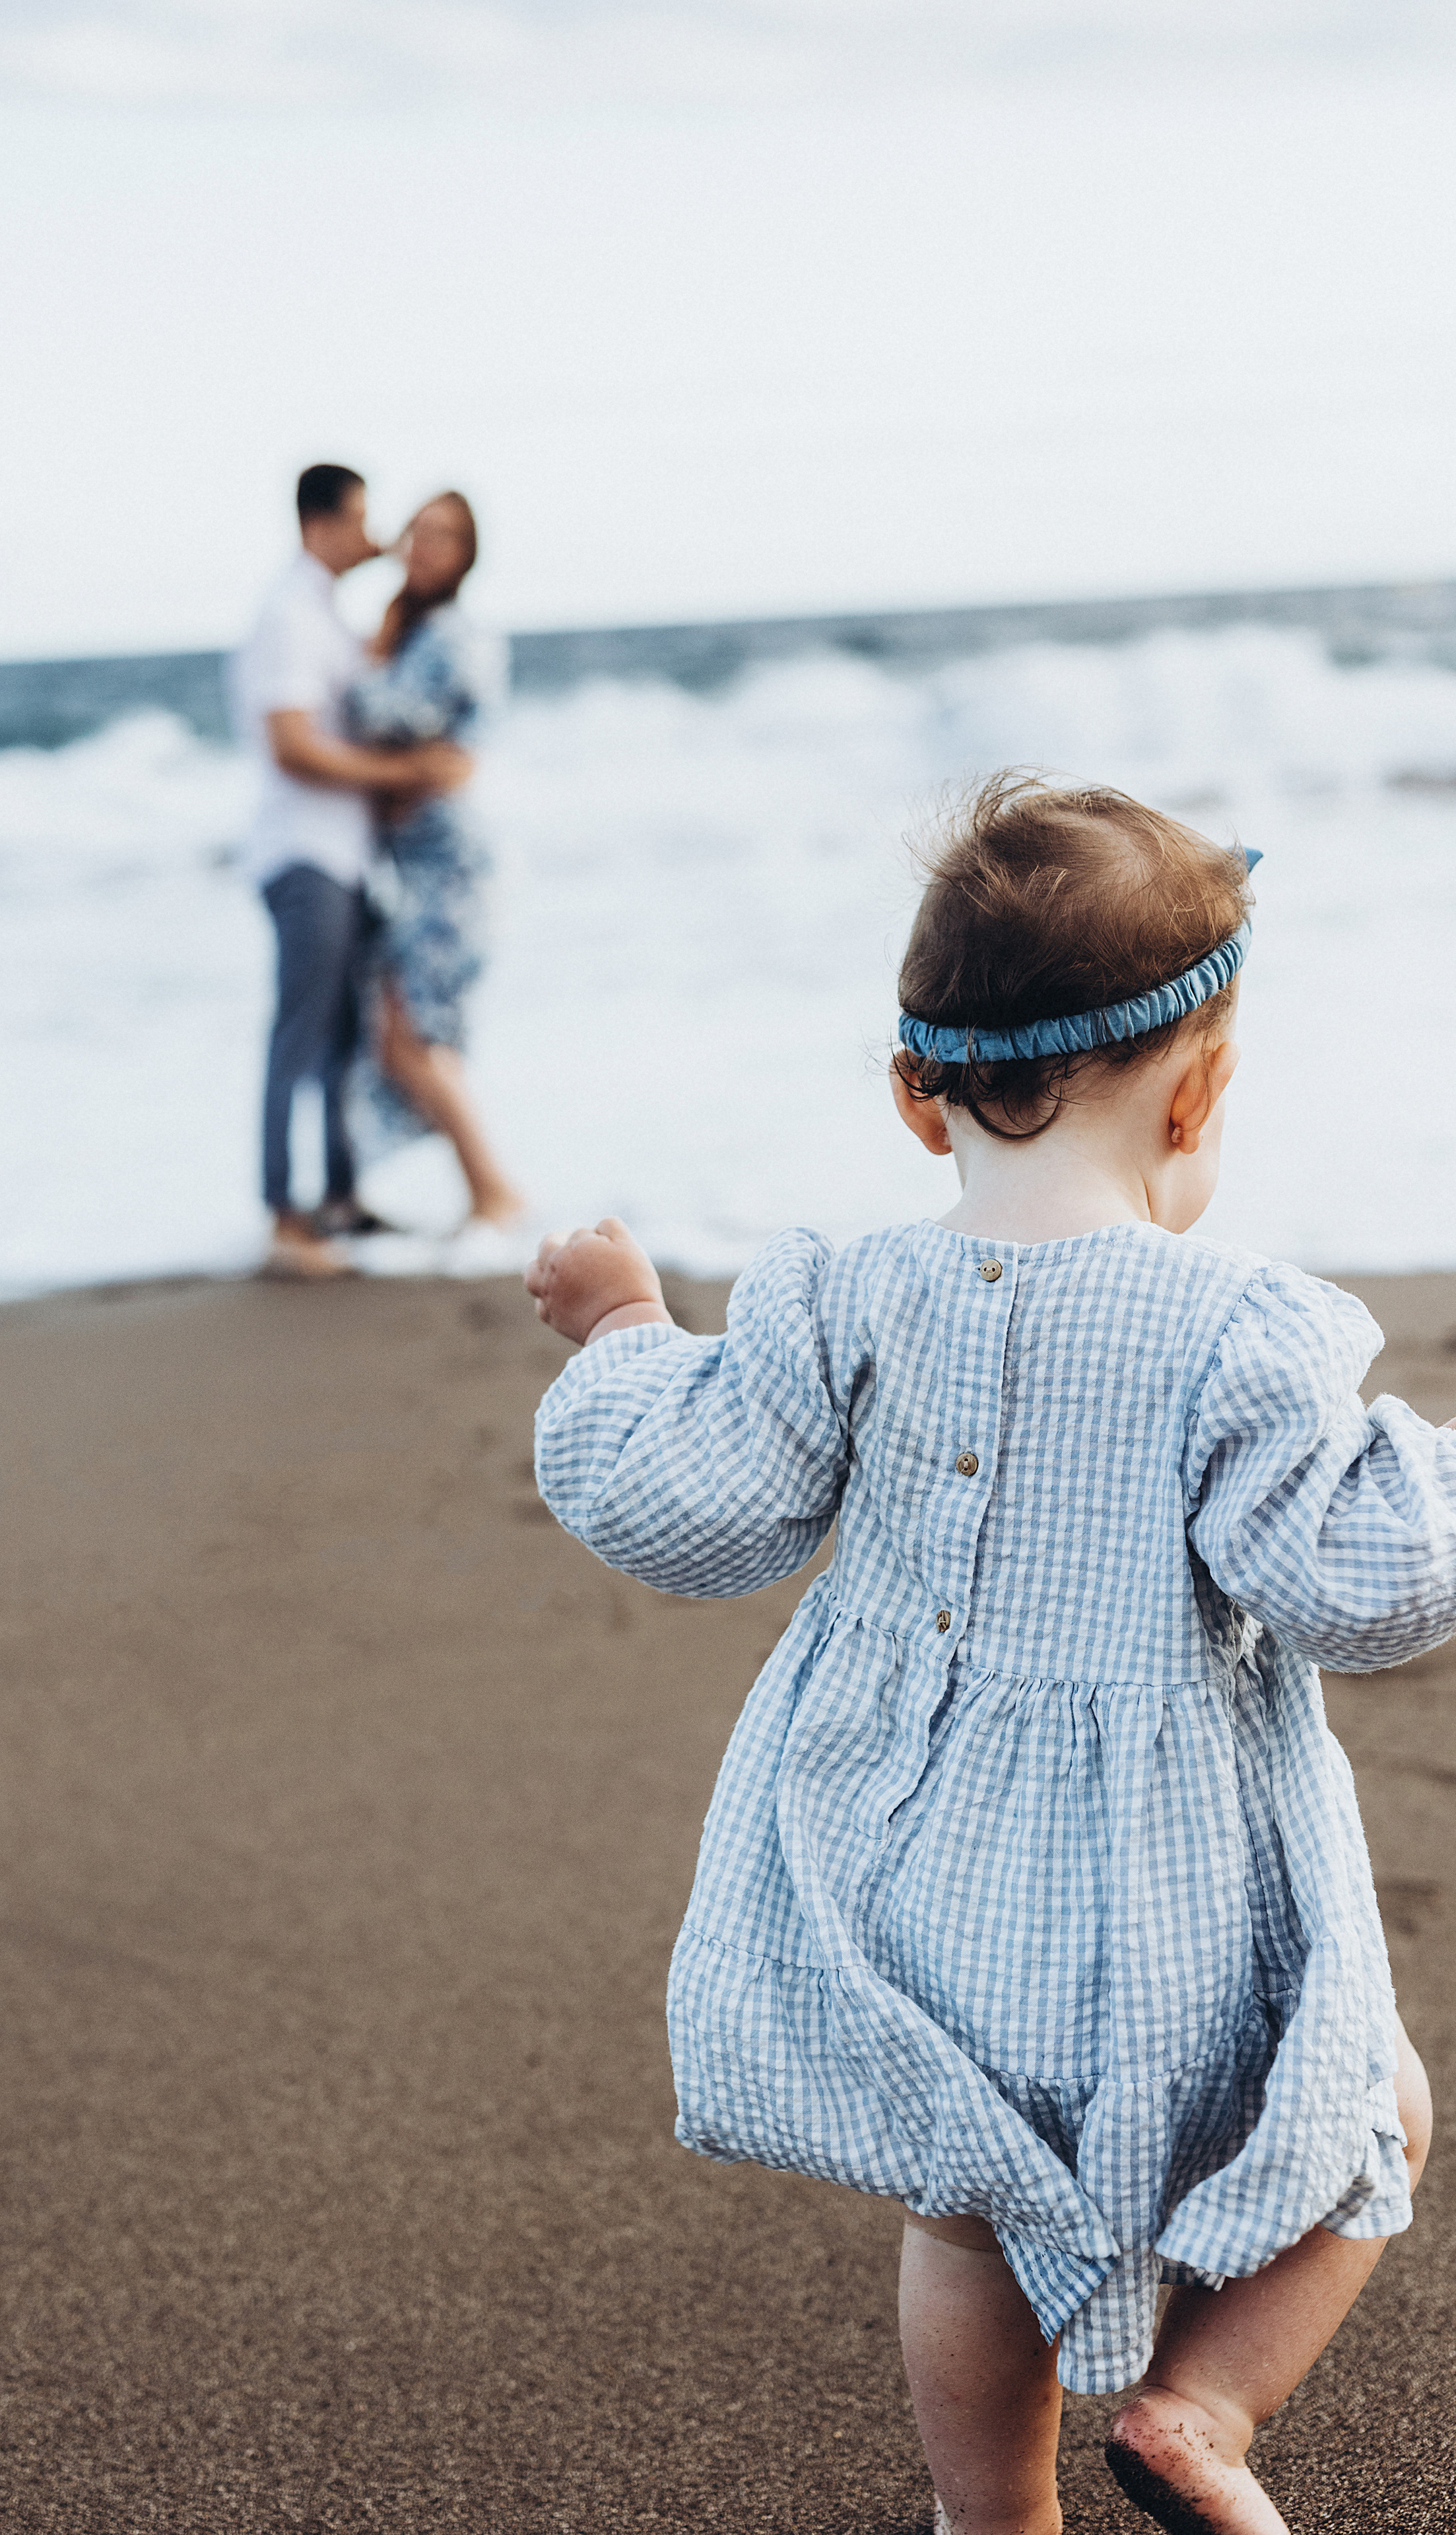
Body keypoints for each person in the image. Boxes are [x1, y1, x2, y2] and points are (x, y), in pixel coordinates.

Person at [523, 774, 1450, 2535]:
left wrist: (629, 1327)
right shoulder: (1230, 1334)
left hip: (909, 1888)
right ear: (1206, 1089)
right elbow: (1364, 1578)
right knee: (1370, 2120)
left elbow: (689, 1507)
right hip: (1162, 1913)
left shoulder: (838, 1300)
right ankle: (1199, 2413)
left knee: (967, 2216)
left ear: (911, 1093)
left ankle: (988, 2520)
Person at [230, 462, 470, 1279]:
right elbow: (293, 746)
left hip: (345, 858)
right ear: (321, 525)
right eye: (363, 520)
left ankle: (338, 1199)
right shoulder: (289, 615)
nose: (374, 536)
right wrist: (408, 775)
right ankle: (281, 1215)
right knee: (298, 1035)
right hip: (304, 857)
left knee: (341, 1038)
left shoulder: (327, 615)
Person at [347, 491, 524, 1235]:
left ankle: (494, 1192)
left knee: (414, 1033)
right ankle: (482, 1191)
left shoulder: (453, 634)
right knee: (402, 1030)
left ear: (467, 555)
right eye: (415, 532)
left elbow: (410, 733)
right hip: (419, 862)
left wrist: (384, 773)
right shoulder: (414, 627)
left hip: (450, 862)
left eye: (444, 536)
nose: (424, 547)